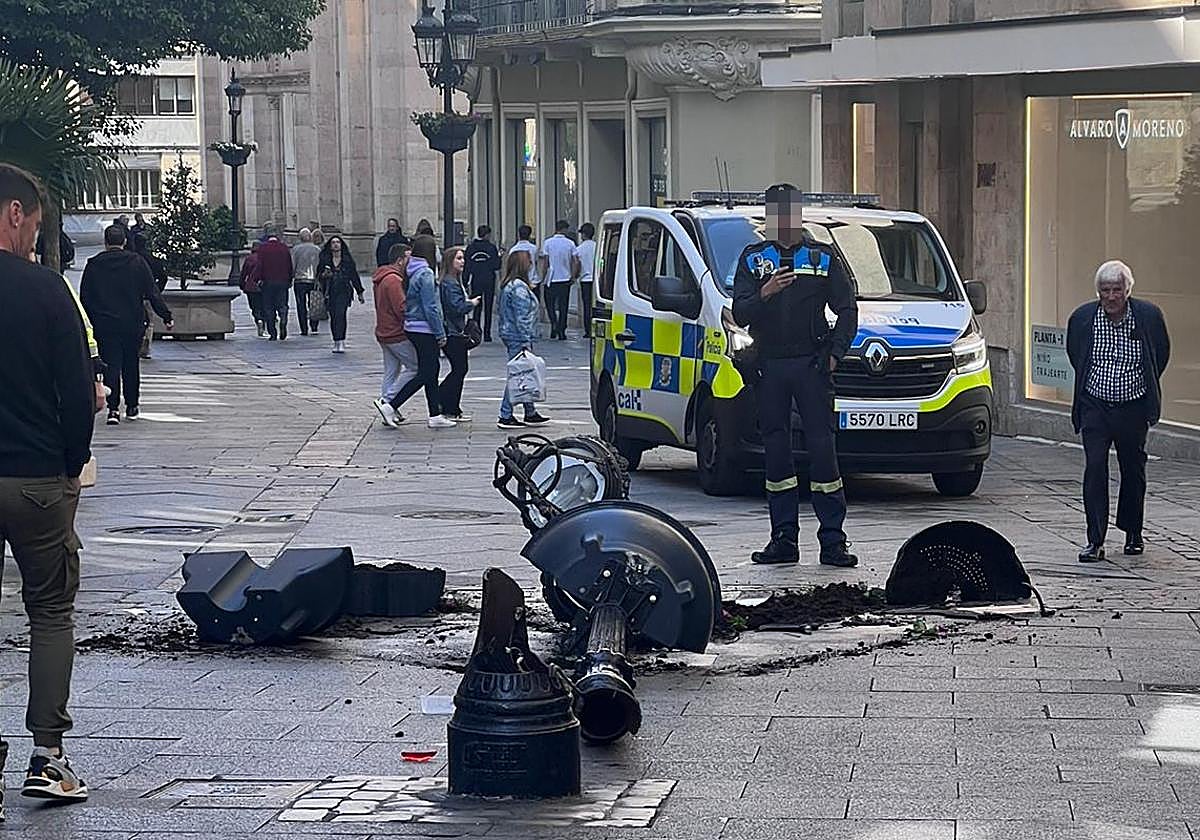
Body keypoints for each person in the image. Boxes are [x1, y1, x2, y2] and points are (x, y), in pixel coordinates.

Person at [0, 164, 97, 811]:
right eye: (34, 225)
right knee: (51, 612)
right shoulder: (45, 289)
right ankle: (47, 757)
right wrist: (71, 464)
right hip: (36, 475)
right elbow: (79, 394)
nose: (34, 238)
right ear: (15, 214)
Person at [731, 183, 858, 568]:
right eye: (777, 214)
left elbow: (847, 308)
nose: (784, 222)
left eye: (790, 213)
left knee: (822, 450)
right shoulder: (754, 260)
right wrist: (765, 293)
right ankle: (783, 538)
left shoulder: (822, 256)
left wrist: (835, 355)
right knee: (776, 454)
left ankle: (833, 541)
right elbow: (740, 313)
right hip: (769, 365)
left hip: (811, 365)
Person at [1067, 260, 1171, 563]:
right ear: (1098, 292)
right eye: (1105, 291)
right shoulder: (1084, 318)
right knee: (1095, 466)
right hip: (1095, 405)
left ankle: (1132, 532)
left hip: (1133, 405)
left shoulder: (1148, 317)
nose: (1111, 297)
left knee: (1133, 468)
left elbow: (1159, 355)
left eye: (1117, 290)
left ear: (1128, 291)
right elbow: (1077, 354)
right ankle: (1095, 539)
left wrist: (1140, 385)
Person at [80, 224, 174, 425]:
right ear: (123, 241)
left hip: (104, 324)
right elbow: (151, 292)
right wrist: (166, 315)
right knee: (131, 364)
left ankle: (113, 408)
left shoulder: (94, 265)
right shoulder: (136, 262)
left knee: (111, 364)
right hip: (132, 323)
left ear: (105, 243)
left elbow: (85, 298)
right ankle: (132, 405)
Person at [389, 235, 455, 428]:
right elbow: (431, 307)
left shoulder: (411, 270)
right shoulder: (425, 273)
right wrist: (440, 333)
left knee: (431, 370)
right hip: (424, 328)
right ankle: (391, 404)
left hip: (413, 325)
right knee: (426, 373)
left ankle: (435, 414)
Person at [497, 250, 550, 429]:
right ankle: (505, 413)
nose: (531, 265)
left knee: (525, 371)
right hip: (518, 336)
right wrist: (526, 339)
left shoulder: (509, 285)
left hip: (510, 333)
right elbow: (522, 316)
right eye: (529, 262)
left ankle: (530, 411)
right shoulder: (518, 287)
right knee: (518, 374)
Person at [372, 243, 417, 427]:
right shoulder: (394, 281)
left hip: (383, 330)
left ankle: (391, 409)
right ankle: (388, 401)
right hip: (395, 332)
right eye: (408, 258)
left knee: (391, 371)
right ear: (400, 261)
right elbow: (401, 308)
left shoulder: (382, 277)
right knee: (416, 367)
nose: (411, 262)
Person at [438, 246, 481, 422]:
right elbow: (456, 307)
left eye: (463, 258)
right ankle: (447, 404)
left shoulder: (454, 281)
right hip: (454, 332)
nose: (462, 261)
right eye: (458, 258)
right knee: (460, 369)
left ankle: (449, 405)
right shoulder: (450, 283)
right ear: (450, 261)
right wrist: (472, 303)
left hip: (454, 330)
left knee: (459, 369)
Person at [317, 235, 365, 354]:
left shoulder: (347, 259)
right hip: (330, 291)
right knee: (333, 316)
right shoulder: (325, 259)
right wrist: (324, 275)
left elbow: (354, 276)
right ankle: (336, 340)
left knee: (341, 314)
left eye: (338, 242)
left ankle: (341, 340)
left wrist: (360, 292)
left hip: (344, 290)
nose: (336, 244)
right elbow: (318, 275)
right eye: (333, 242)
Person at [256, 224, 293, 341]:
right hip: (282, 281)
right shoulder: (284, 248)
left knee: (268, 307)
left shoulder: (262, 248)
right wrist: (290, 279)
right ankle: (283, 316)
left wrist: (259, 279)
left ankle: (273, 333)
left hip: (268, 281)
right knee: (282, 303)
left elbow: (259, 266)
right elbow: (289, 265)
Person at [464, 225, 501, 342]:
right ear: (487, 235)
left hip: (476, 279)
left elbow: (467, 266)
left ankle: (476, 331)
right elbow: (496, 265)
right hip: (489, 278)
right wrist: (499, 257)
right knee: (488, 306)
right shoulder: (491, 247)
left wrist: (465, 281)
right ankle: (487, 333)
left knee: (476, 306)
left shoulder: (471, 248)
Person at [541, 220, 576, 340]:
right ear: (564, 229)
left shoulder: (548, 243)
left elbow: (546, 262)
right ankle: (562, 329)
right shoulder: (570, 243)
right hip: (565, 278)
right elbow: (574, 261)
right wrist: (573, 275)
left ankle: (553, 322)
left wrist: (543, 277)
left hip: (551, 279)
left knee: (549, 304)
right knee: (563, 306)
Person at [291, 228, 322, 336]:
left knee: (301, 305)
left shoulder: (295, 249)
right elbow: (320, 266)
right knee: (314, 303)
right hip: (313, 280)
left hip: (300, 280)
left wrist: (291, 277)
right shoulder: (317, 249)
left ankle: (303, 328)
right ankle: (314, 326)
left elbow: (293, 265)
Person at [573, 222, 597, 333]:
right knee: (596, 305)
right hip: (597, 280)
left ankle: (588, 330)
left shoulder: (579, 249)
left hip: (585, 279)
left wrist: (575, 275)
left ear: (583, 234)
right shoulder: (597, 246)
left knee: (587, 305)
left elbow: (577, 265)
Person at [239, 241, 265, 337]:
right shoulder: (263, 258)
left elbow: (244, 273)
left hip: (250, 287)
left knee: (254, 307)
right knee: (263, 306)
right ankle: (264, 322)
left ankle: (258, 320)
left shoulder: (249, 259)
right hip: (262, 286)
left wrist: (242, 284)